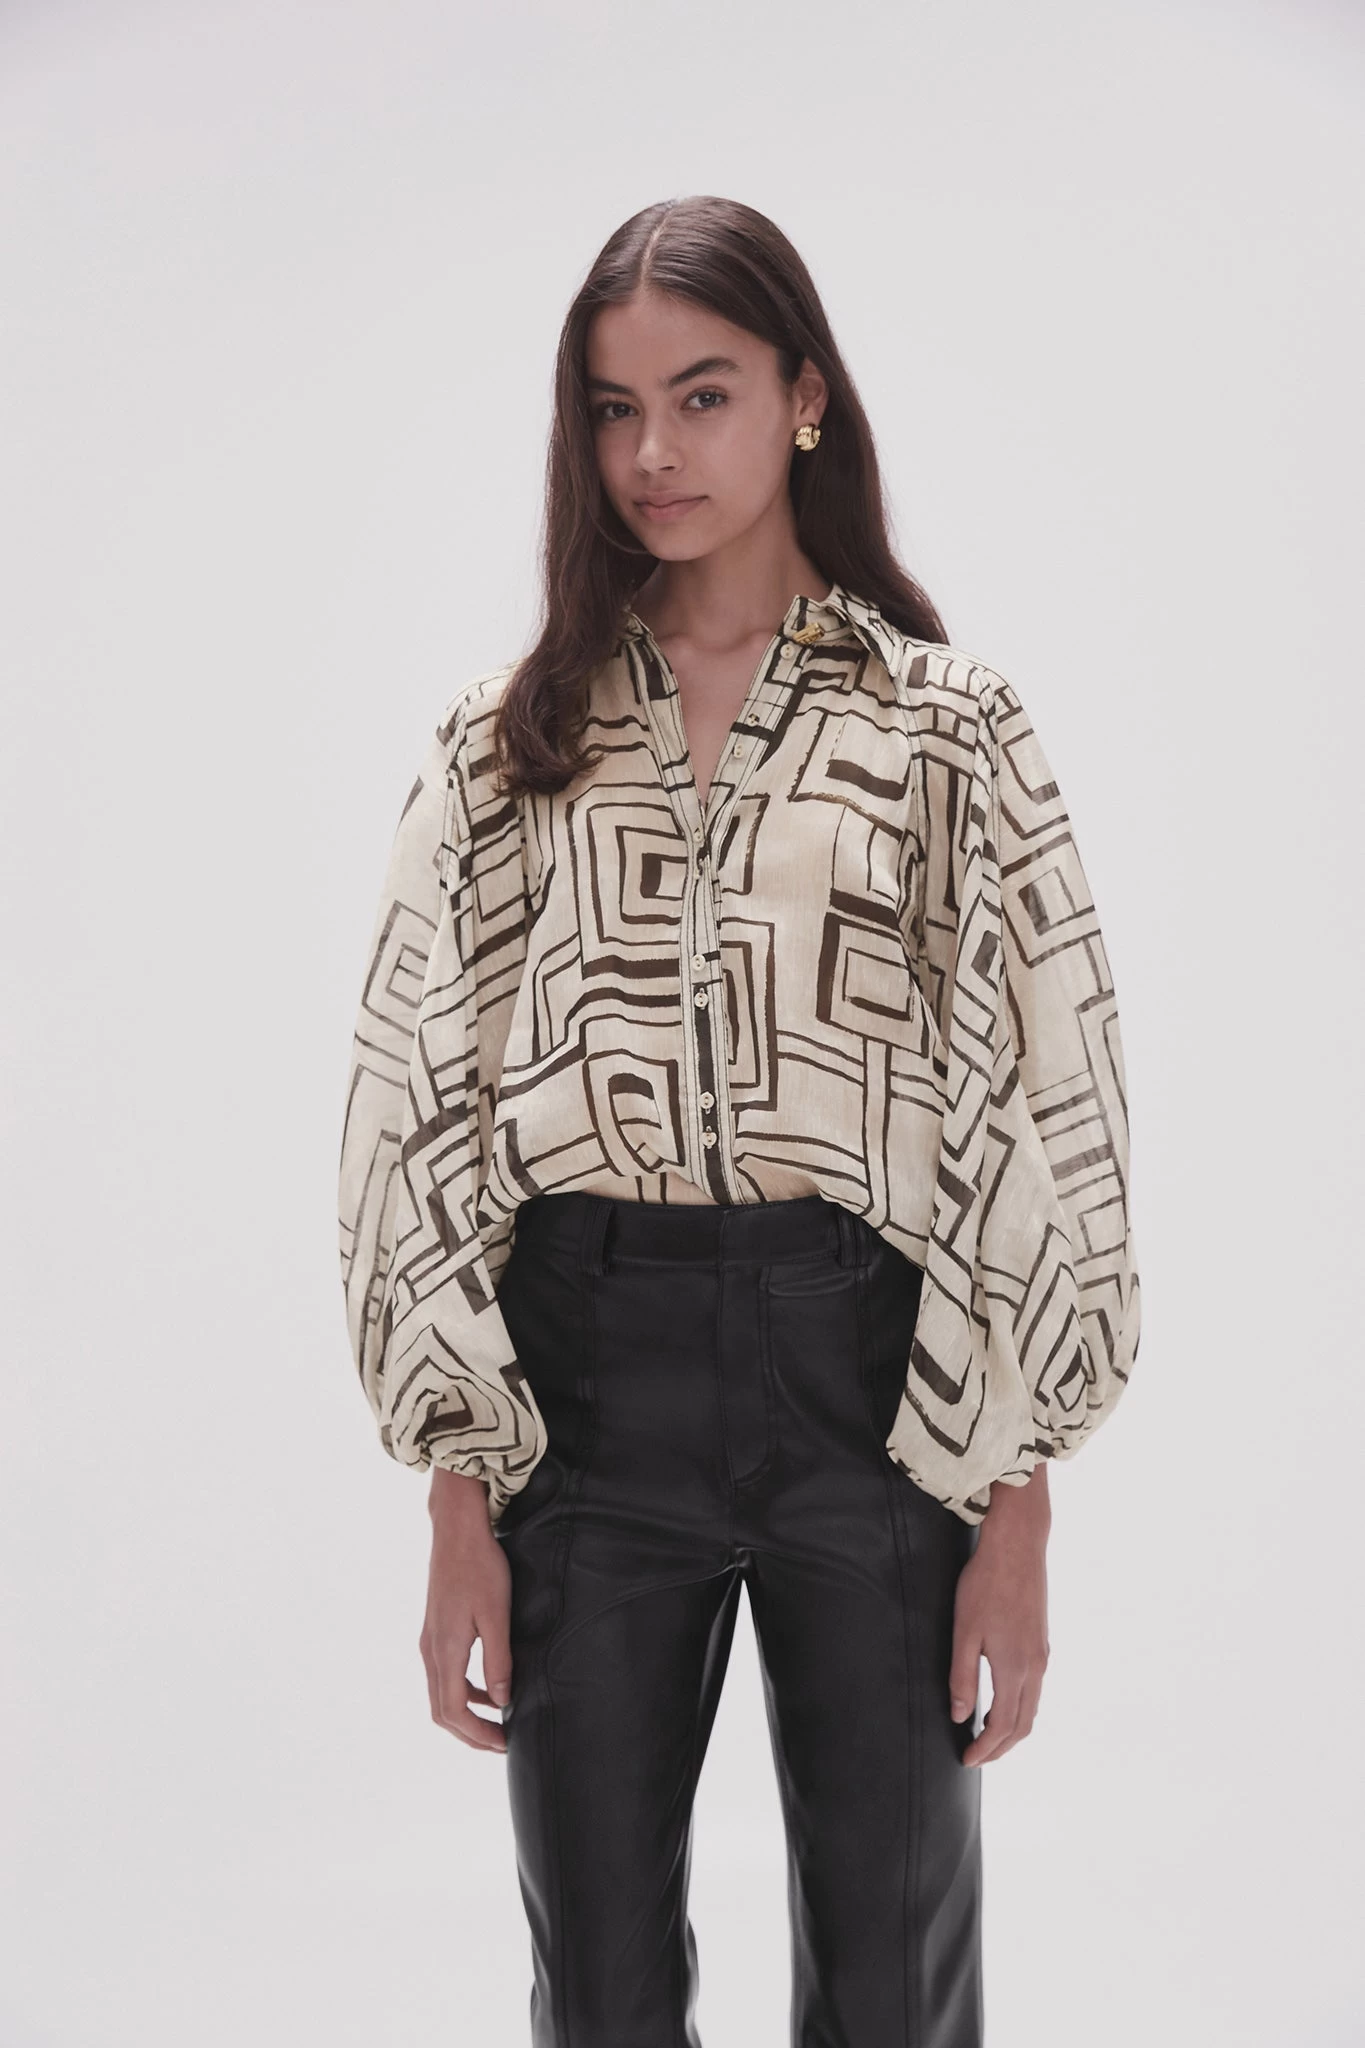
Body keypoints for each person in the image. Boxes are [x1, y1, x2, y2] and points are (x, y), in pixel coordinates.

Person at [336, 194, 1141, 2048]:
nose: (653, 455)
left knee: (894, 1980)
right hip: (583, 1386)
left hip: (875, 1388)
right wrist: (458, 1494)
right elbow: (413, 1108)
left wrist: (1018, 1505)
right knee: (599, 1990)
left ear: (803, 396)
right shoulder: (508, 741)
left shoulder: (946, 730)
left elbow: (1051, 1100)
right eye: (614, 410)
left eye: (701, 396)